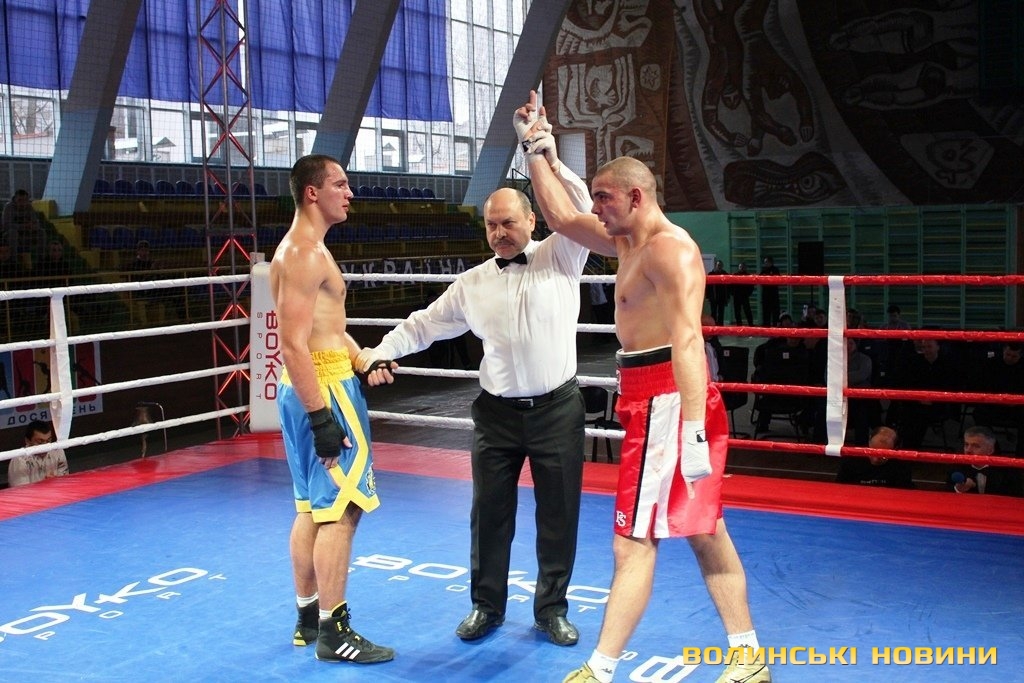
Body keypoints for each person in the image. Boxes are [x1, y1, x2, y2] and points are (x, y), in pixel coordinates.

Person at [518, 92, 769, 683]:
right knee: (705, 529)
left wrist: (693, 427)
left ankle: (600, 669)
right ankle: (749, 656)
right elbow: (560, 219)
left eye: (603, 197)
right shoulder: (626, 242)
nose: (596, 208)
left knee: (632, 540)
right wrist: (536, 148)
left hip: (669, 398)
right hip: (648, 396)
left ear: (636, 196)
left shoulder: (670, 251)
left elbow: (688, 340)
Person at [356, 186, 590, 647]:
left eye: (509, 223)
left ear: (532, 221)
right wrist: (382, 350)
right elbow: (424, 324)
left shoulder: (562, 254)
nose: (499, 233)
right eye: (491, 225)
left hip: (557, 411)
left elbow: (580, 206)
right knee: (488, 514)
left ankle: (551, 610)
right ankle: (486, 606)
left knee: (559, 515)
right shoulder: (473, 282)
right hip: (496, 414)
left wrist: (545, 156)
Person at [269, 154, 394, 664]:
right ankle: (333, 631)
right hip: (321, 390)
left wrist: (362, 359)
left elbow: (327, 330)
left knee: (311, 507)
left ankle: (307, 618)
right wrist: (323, 418)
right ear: (312, 193)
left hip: (312, 385)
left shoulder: (305, 248)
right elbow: (293, 344)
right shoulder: (303, 253)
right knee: (342, 509)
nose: (349, 193)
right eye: (340, 184)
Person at [949, 426, 1023, 497]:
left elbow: (1017, 497)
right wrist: (958, 489)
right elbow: (946, 493)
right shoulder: (956, 467)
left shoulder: (1007, 470)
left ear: (990, 450)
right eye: (966, 445)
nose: (968, 450)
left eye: (976, 446)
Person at [835, 426, 913, 488]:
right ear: (869, 442)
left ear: (894, 449)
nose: (876, 459)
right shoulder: (851, 461)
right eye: (873, 452)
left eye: (884, 455)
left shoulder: (901, 467)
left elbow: (905, 494)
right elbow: (839, 487)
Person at [7, 420, 69, 487]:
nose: (45, 446)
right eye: (40, 442)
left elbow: (66, 484)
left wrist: (55, 482)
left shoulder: (58, 452)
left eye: (48, 441)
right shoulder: (19, 460)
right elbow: (21, 491)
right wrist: (46, 485)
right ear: (27, 441)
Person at [1, 189, 43, 257]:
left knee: (41, 232)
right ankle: (13, 260)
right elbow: (5, 225)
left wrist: (34, 226)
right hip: (10, 235)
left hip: (27, 234)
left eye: (25, 200)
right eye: (20, 200)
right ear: (15, 200)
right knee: (13, 233)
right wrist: (24, 226)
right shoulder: (8, 207)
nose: (23, 203)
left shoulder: (29, 207)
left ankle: (41, 258)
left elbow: (36, 222)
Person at [706, 259, 729, 327]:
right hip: (713, 297)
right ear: (715, 265)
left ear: (722, 266)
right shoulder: (711, 274)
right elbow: (708, 287)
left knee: (721, 312)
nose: (719, 266)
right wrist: (707, 297)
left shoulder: (725, 274)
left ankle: (720, 326)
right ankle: (713, 326)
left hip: (722, 297)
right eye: (718, 265)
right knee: (713, 312)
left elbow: (728, 287)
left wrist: (727, 297)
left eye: (721, 265)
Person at [758, 256, 781, 326]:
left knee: (775, 313)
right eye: (764, 262)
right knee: (766, 313)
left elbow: (778, 281)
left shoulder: (775, 270)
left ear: (770, 262)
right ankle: (766, 328)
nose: (765, 263)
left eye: (766, 262)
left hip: (773, 295)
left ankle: (775, 328)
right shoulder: (763, 270)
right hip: (766, 295)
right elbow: (759, 279)